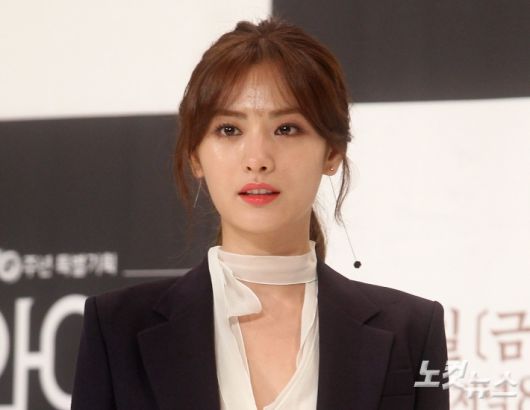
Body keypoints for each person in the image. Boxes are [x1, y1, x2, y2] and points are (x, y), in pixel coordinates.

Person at [70, 17, 450, 410]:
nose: (257, 159)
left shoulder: (411, 330)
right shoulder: (117, 328)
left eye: (286, 129)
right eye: (229, 130)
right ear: (195, 155)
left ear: (332, 152)